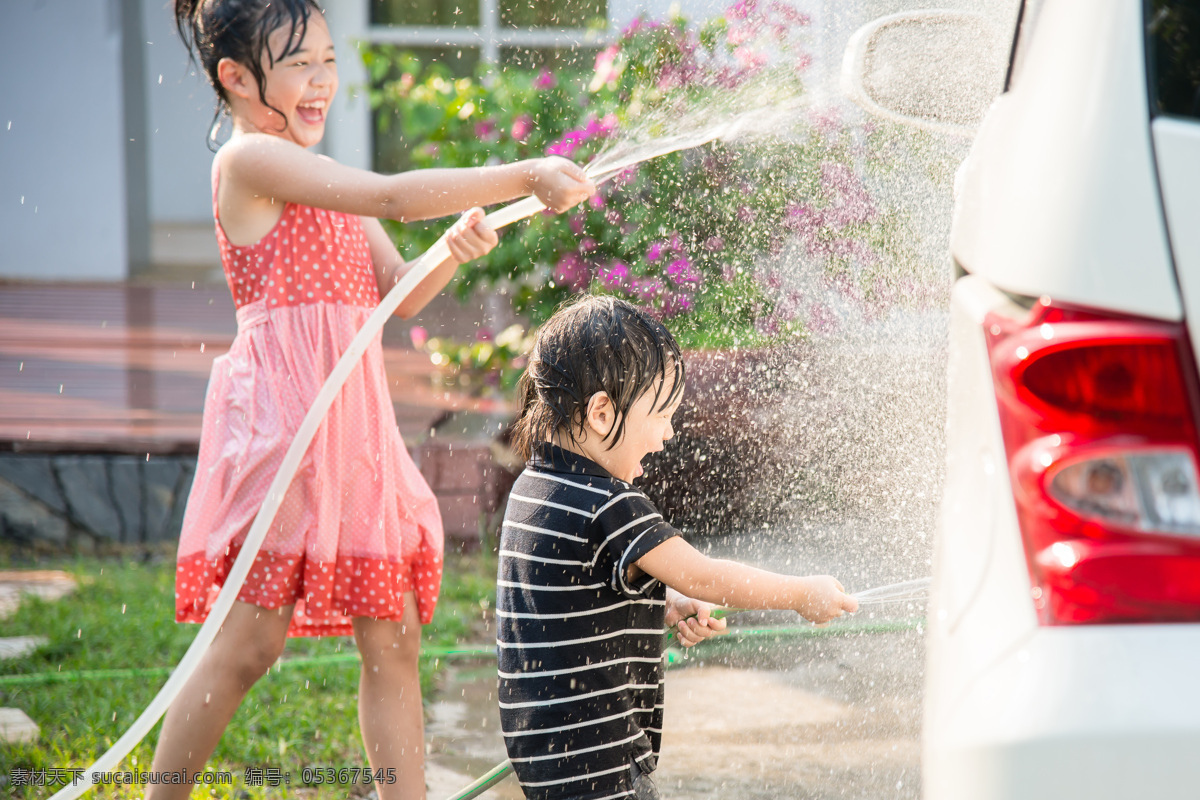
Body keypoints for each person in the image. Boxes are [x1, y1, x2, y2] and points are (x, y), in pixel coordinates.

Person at [149, 2, 594, 798]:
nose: (323, 81)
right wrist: (524, 175)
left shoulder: (322, 175)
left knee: (394, 635)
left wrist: (455, 251)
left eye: (328, 59)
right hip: (288, 426)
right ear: (239, 79)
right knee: (251, 642)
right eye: (300, 65)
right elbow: (391, 197)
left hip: (351, 428)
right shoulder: (251, 162)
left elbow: (400, 293)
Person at [496, 295, 859, 800]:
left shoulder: (534, 488)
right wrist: (801, 594)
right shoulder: (610, 505)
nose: (667, 434)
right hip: (598, 760)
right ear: (602, 412)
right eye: (662, 413)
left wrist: (661, 602)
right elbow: (704, 576)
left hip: (548, 755)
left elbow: (563, 595)